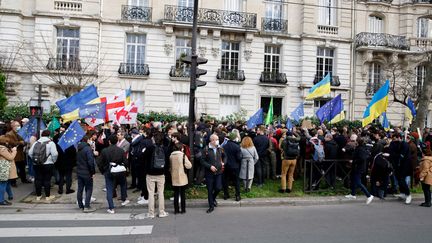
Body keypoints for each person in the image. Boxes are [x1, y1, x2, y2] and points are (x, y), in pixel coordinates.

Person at [98, 135, 129, 214]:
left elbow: (100, 163)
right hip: (120, 170)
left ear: (109, 141)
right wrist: (123, 167)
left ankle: (111, 208)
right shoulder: (121, 150)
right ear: (117, 141)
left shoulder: (105, 151)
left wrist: (103, 171)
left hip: (109, 171)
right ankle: (124, 199)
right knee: (123, 184)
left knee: (109, 188)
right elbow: (126, 162)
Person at [28, 130, 58, 201]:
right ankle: (47, 196)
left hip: (37, 164)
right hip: (48, 164)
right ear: (49, 135)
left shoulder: (36, 142)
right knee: (47, 179)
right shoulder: (51, 143)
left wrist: (35, 159)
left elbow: (30, 152)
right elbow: (55, 154)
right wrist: (53, 160)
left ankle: (38, 196)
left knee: (38, 179)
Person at [145, 131, 169, 218]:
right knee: (161, 193)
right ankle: (161, 212)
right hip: (161, 173)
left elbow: (144, 158)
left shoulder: (149, 148)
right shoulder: (165, 149)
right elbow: (167, 162)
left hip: (150, 173)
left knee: (151, 193)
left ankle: (151, 213)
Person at [201, 134, 226, 213]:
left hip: (218, 172)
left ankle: (213, 198)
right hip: (209, 173)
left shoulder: (220, 148)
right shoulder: (206, 149)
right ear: (212, 141)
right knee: (210, 190)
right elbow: (202, 161)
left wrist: (223, 163)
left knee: (218, 188)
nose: (218, 141)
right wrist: (209, 166)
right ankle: (211, 206)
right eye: (216, 139)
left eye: (218, 139)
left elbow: (225, 156)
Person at [345, 138, 374, 205]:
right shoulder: (359, 148)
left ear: (358, 142)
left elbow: (362, 159)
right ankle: (353, 194)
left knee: (358, 182)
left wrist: (353, 161)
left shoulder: (361, 149)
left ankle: (369, 195)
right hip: (357, 167)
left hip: (358, 168)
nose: (354, 142)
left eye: (355, 141)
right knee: (353, 180)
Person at [170, 143, 192, 214]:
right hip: (182, 176)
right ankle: (183, 210)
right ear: (180, 148)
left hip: (174, 176)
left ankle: (176, 210)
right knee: (182, 194)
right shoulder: (183, 155)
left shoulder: (171, 156)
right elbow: (189, 166)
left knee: (176, 194)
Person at [6, 120, 30, 186]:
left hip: (20, 153)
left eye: (19, 125)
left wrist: (23, 142)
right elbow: (10, 143)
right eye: (18, 125)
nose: (19, 127)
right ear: (13, 126)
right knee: (14, 169)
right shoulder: (9, 134)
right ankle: (13, 182)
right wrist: (20, 142)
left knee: (22, 168)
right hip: (13, 154)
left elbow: (24, 141)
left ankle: (24, 179)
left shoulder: (19, 133)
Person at [76, 136, 96, 213]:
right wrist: (92, 172)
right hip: (87, 172)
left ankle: (81, 205)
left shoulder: (78, 148)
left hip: (80, 171)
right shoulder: (88, 149)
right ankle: (87, 206)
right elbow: (90, 162)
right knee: (89, 189)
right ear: (87, 140)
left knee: (80, 189)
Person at [222, 132, 242, 201]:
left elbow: (223, 156)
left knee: (225, 181)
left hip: (226, 165)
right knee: (236, 181)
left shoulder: (224, 146)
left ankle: (226, 195)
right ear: (235, 138)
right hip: (235, 166)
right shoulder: (237, 146)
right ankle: (237, 195)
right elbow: (239, 158)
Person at [0, 135, 17, 205]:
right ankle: (1, 200)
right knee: (3, 184)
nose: (8, 142)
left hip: (5, 168)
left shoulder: (3, 148)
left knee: (6, 183)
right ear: (5, 141)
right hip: (3, 169)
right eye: (7, 141)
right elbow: (10, 157)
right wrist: (14, 151)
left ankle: (10, 195)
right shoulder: (2, 149)